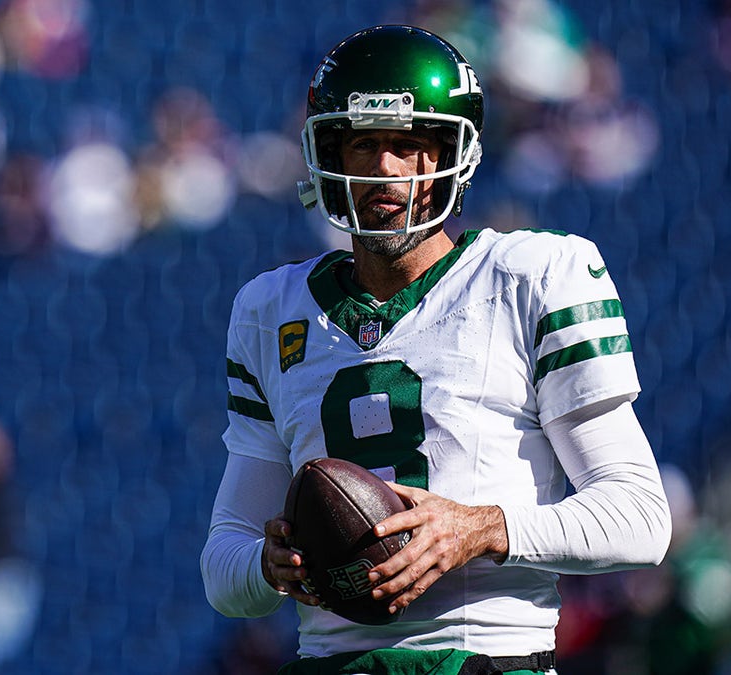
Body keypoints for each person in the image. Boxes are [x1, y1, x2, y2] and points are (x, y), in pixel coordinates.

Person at [200, 25, 672, 675]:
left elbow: (640, 517)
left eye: (411, 144)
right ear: (328, 157)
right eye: (365, 144)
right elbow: (223, 567)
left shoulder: (531, 276)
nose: (388, 169)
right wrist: (266, 563)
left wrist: (481, 527)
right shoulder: (267, 310)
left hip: (488, 659)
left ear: (454, 154)